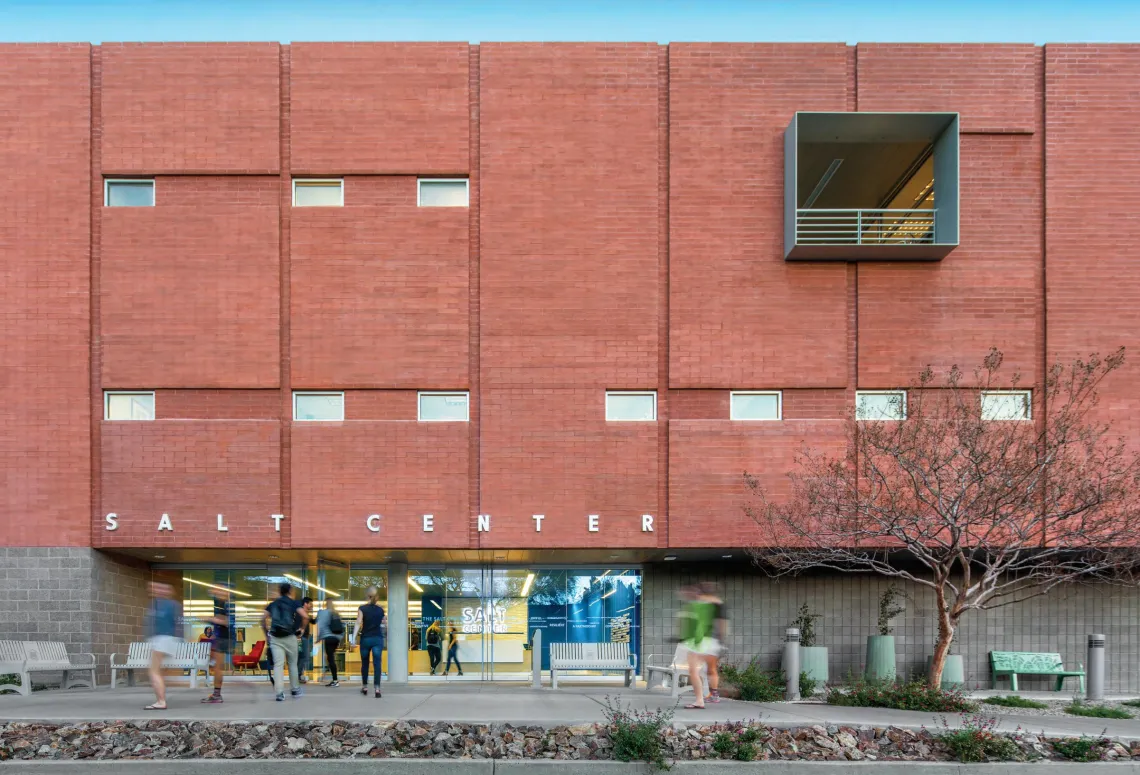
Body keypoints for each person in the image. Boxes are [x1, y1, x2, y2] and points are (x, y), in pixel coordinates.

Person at [681, 582, 727, 709]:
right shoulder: (719, 604)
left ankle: (700, 700)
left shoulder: (700, 604)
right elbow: (722, 624)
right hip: (713, 641)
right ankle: (712, 694)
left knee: (694, 670)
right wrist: (721, 640)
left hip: (703, 640)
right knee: (709, 669)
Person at [263, 582, 308, 702]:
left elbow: (263, 618)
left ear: (280, 591)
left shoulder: (273, 604)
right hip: (290, 636)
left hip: (275, 638)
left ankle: (279, 693)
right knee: (292, 664)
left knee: (278, 665)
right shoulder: (293, 603)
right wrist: (302, 629)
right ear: (290, 591)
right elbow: (305, 616)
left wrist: (266, 633)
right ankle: (295, 689)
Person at [143, 581, 181, 711]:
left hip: (161, 640)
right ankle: (161, 697)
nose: (154, 590)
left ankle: (161, 701)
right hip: (165, 640)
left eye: (158, 588)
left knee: (153, 671)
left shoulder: (160, 605)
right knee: (159, 671)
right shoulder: (170, 604)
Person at [351, 586, 386, 697]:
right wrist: (386, 635)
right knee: (377, 664)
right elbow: (385, 624)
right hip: (377, 639)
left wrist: (353, 638)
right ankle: (377, 689)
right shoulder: (381, 610)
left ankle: (365, 687)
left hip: (366, 639)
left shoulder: (362, 608)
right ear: (377, 597)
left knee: (365, 663)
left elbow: (358, 622)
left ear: (367, 595)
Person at [201, 587, 233, 704]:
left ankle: (217, 695)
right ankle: (216, 693)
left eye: (220, 591)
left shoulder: (227, 605)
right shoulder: (221, 605)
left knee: (218, 667)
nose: (216, 592)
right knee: (216, 666)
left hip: (223, 639)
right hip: (221, 638)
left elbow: (225, 622)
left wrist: (209, 619)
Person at [316, 598, 344, 687]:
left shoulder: (325, 613)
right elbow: (342, 627)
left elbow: (322, 626)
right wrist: (340, 638)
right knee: (331, 658)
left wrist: (319, 638)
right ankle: (334, 679)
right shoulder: (336, 613)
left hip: (328, 638)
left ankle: (335, 680)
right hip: (336, 639)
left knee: (330, 658)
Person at [297, 596, 314, 684]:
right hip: (301, 638)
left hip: (305, 637)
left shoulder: (306, 614)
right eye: (310, 604)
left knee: (301, 657)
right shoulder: (300, 614)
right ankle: (298, 675)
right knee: (305, 657)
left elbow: (314, 621)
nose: (312, 606)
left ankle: (299, 675)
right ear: (305, 604)